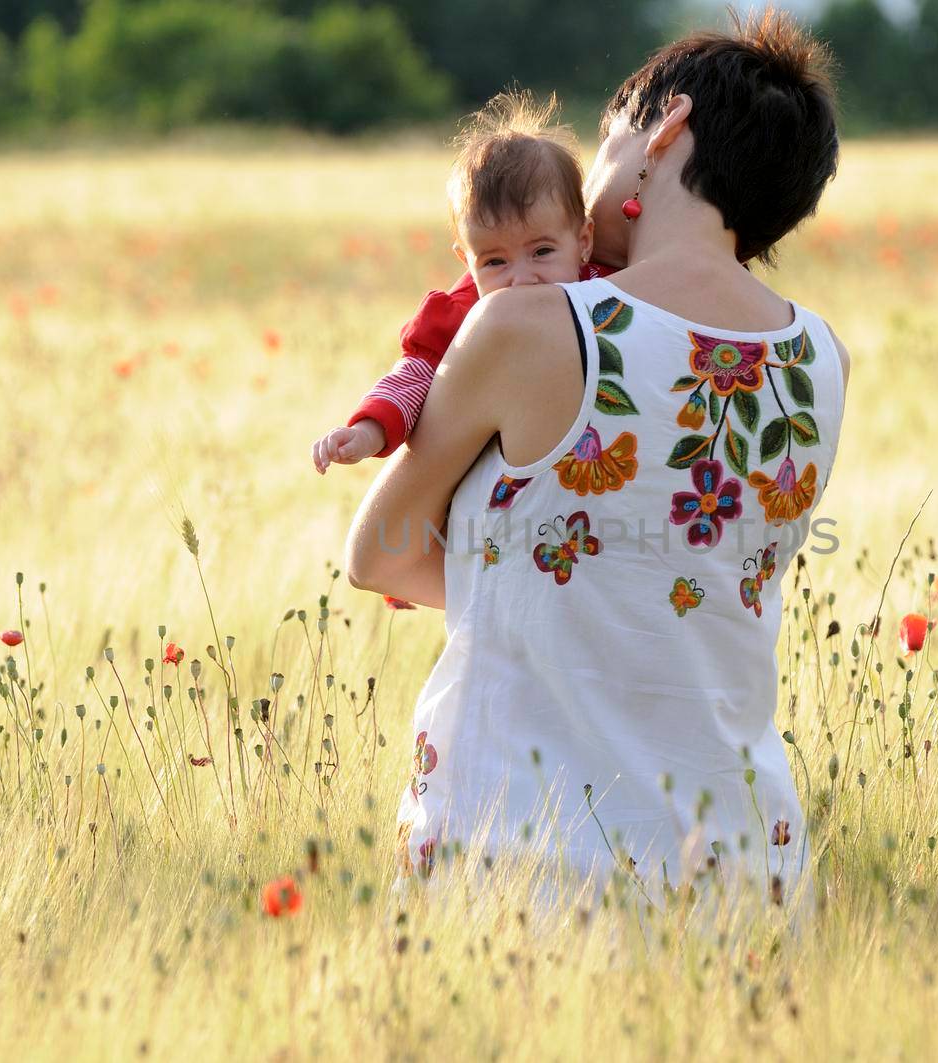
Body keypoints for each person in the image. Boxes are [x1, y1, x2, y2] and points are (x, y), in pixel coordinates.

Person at [345, 10, 849, 904]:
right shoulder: (822, 358)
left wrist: (544, 589)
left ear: (667, 130)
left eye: (610, 137)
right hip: (753, 877)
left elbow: (378, 551)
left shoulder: (532, 324)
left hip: (531, 868)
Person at [311, 91, 614, 470]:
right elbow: (415, 376)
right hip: (508, 480)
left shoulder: (609, 287)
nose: (521, 279)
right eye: (495, 261)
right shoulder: (463, 314)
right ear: (466, 262)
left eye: (542, 252)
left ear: (582, 242)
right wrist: (368, 432)